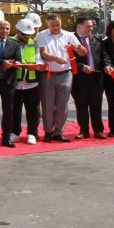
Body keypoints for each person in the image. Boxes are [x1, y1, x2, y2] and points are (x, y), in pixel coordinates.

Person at [35, 13, 86, 142]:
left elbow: (83, 52)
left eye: (58, 25)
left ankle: (58, 131)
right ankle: (47, 131)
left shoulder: (69, 35)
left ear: (61, 22)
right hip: (48, 74)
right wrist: (55, 59)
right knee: (47, 104)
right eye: (53, 25)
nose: (56, 27)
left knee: (63, 105)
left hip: (65, 73)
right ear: (47, 24)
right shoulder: (42, 36)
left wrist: (78, 47)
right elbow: (43, 53)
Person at [71, 17, 107, 140]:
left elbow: (103, 56)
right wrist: (81, 67)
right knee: (81, 104)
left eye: (92, 26)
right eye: (88, 27)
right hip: (79, 77)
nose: (90, 29)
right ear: (79, 27)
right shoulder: (71, 40)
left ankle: (98, 130)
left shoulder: (97, 39)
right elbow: (68, 59)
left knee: (96, 104)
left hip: (96, 76)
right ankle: (84, 130)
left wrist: (107, 66)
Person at [11, 19, 44, 145]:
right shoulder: (11, 42)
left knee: (33, 110)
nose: (26, 37)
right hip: (15, 82)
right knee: (15, 109)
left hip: (31, 82)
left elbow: (39, 59)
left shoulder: (34, 43)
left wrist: (36, 65)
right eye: (23, 34)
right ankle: (14, 132)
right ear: (18, 31)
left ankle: (32, 133)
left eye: (28, 34)